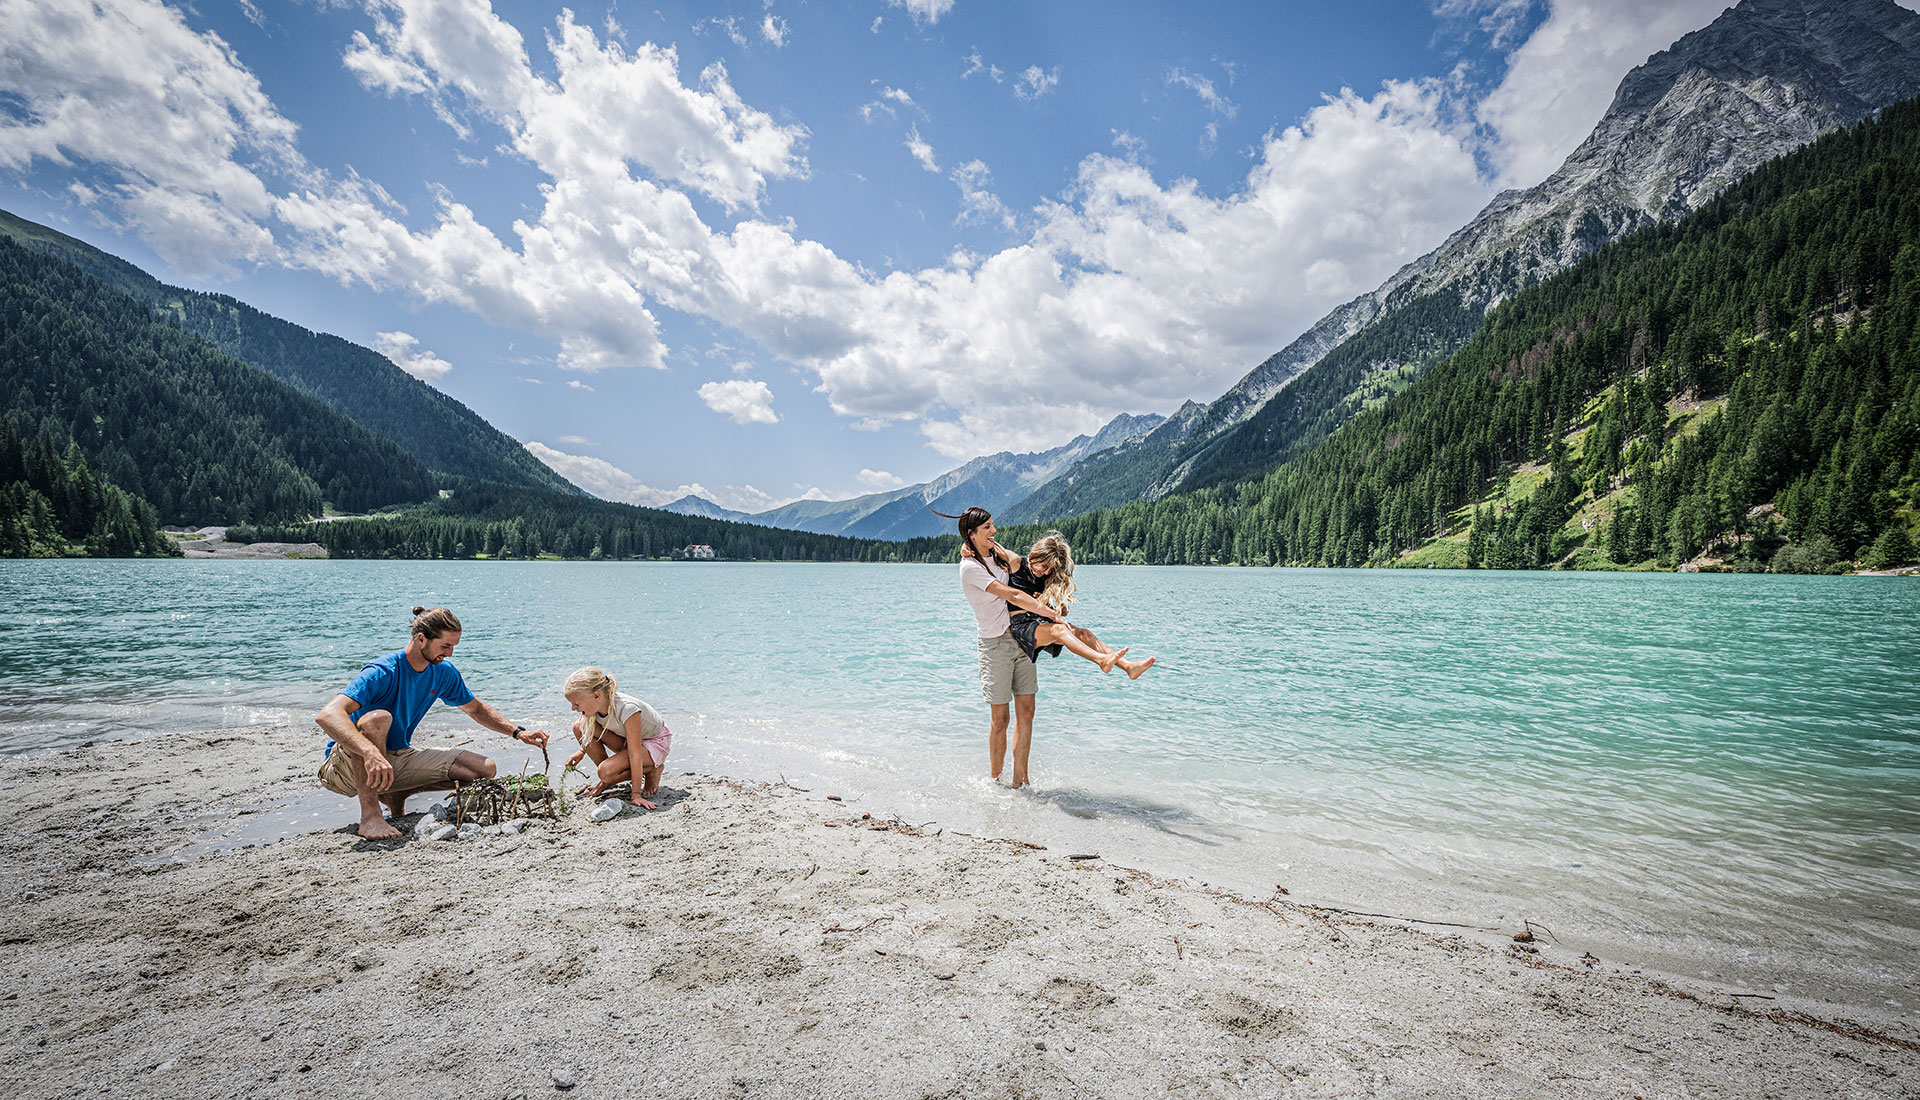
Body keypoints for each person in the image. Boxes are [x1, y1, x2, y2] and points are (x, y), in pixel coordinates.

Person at [314, 606, 550, 840]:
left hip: (396, 757)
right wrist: (370, 753)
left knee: (482, 769)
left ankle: (396, 794)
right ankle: (370, 818)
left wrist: (518, 733)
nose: (450, 653)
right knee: (377, 718)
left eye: (454, 646)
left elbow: (476, 709)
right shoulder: (383, 671)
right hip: (345, 767)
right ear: (421, 639)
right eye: (445, 646)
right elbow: (328, 714)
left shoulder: (442, 672)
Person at [946, 506, 1066, 788]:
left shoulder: (998, 555)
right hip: (994, 644)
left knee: (1028, 712)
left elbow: (1024, 571)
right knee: (1001, 719)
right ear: (971, 534)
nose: (994, 531)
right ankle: (994, 781)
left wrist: (1049, 600)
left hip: (1021, 638)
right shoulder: (970, 568)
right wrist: (1050, 614)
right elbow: (1011, 593)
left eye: (992, 525)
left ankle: (1020, 781)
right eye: (987, 527)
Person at [1004, 532, 1155, 679]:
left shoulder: (1046, 577)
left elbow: (1053, 608)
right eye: (1044, 566)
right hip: (1021, 624)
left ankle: (1129, 667)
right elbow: (988, 545)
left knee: (1084, 634)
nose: (1046, 572)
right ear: (1033, 556)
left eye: (1051, 569)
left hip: (1039, 622)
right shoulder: (1015, 562)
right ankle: (1100, 660)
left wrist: (1058, 607)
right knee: (1060, 630)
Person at [562, 666, 670, 810]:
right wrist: (582, 751)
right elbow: (590, 730)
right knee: (579, 726)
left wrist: (636, 795)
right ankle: (608, 778)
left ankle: (652, 770)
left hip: (654, 743)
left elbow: (634, 752)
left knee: (605, 771)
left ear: (596, 695)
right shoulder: (596, 706)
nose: (573, 709)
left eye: (576, 704)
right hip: (628, 739)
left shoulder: (627, 708)